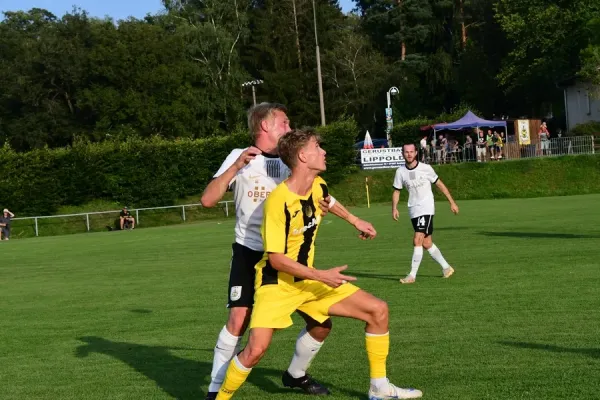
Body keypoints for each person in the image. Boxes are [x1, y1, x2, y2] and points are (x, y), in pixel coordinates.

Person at [216, 129, 422, 400]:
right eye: (318, 147)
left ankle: (379, 388)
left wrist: (355, 220)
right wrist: (321, 275)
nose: (324, 152)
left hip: (310, 280)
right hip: (276, 284)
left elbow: (328, 200)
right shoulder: (278, 201)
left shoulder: (318, 184)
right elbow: (277, 260)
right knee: (255, 351)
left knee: (378, 311)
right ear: (303, 156)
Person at [201, 103, 365, 399]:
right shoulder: (240, 158)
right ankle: (215, 390)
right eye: (285, 123)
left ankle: (295, 375)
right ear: (264, 125)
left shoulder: (291, 162)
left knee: (320, 324)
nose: (290, 128)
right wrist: (237, 165)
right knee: (239, 320)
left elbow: (323, 194)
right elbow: (208, 200)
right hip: (251, 253)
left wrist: (353, 219)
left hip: (289, 257)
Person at [392, 144, 459, 284]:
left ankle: (412, 275)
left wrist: (451, 202)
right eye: (406, 152)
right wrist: (394, 207)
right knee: (427, 242)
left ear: (416, 153)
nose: (409, 154)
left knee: (417, 239)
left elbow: (439, 184)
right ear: (402, 153)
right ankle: (446, 268)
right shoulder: (400, 172)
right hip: (413, 209)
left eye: (412, 152)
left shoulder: (426, 168)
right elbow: (397, 190)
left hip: (426, 208)